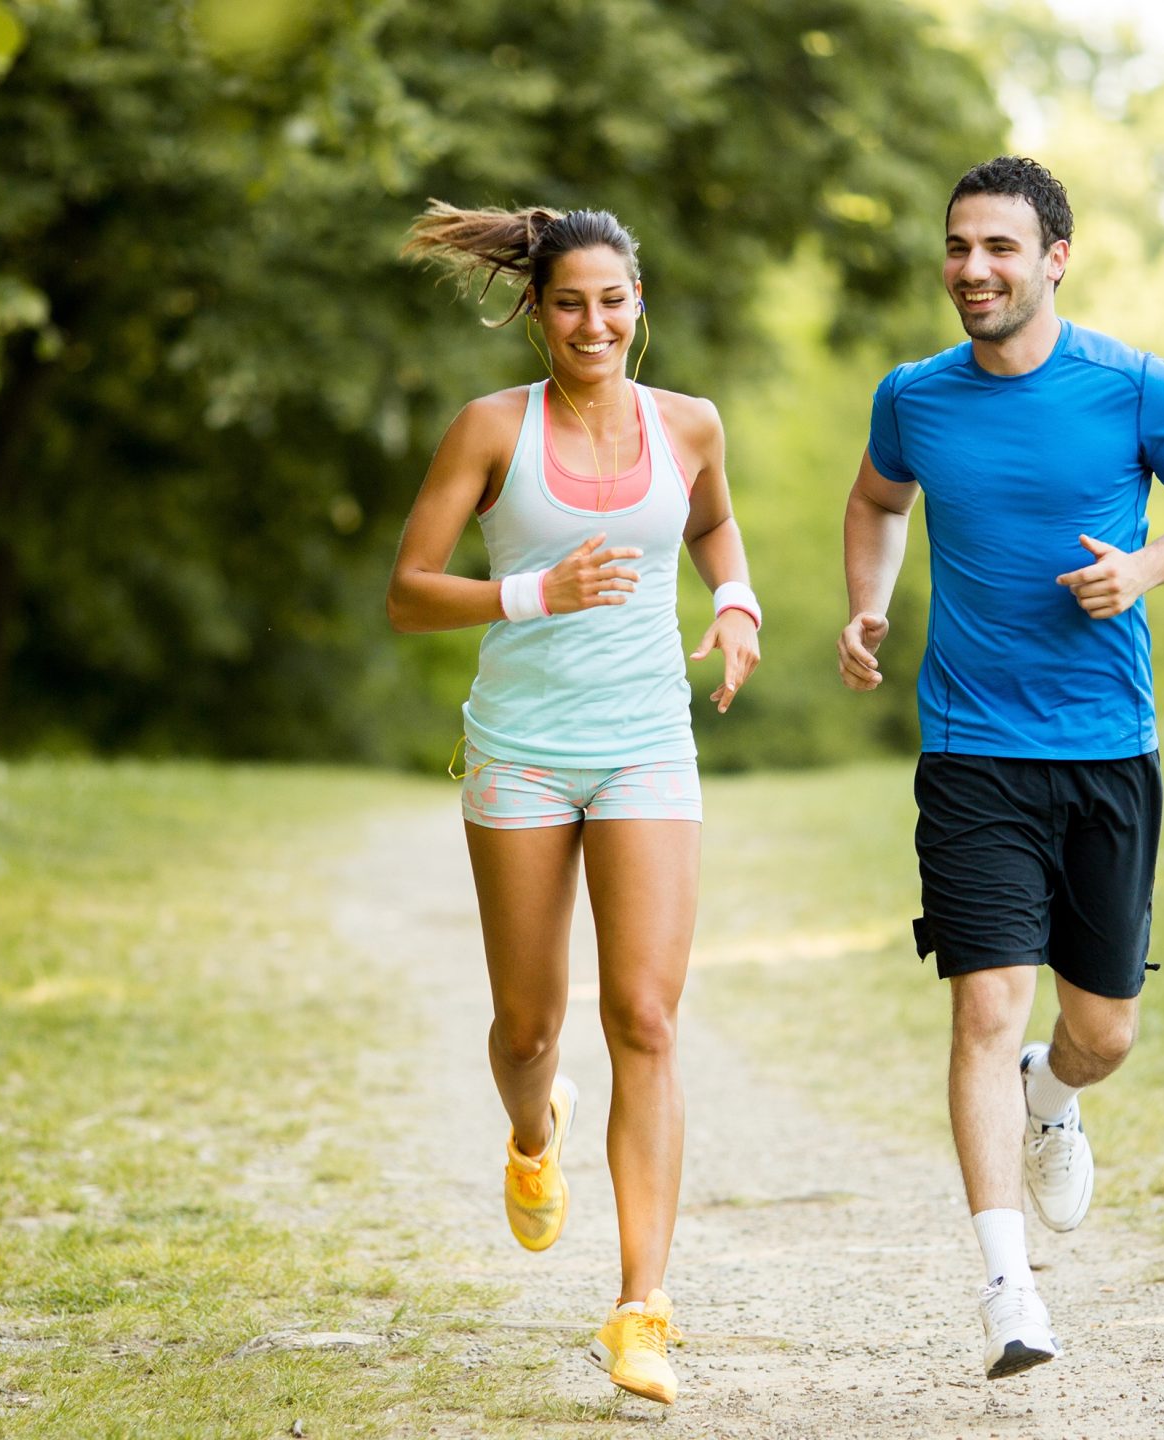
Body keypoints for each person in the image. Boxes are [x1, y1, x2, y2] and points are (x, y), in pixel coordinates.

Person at [836, 156, 1164, 1380]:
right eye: (958, 246)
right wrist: (867, 604)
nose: (973, 269)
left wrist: (1143, 570)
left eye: (999, 249)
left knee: (1104, 1033)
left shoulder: (1130, 386)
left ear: (1054, 257)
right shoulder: (914, 398)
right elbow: (875, 503)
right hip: (971, 754)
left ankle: (1054, 1097)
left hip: (1106, 751)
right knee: (982, 1005)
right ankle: (1008, 1292)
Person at [388, 201, 762, 1407]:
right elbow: (407, 591)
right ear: (537, 310)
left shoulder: (690, 425)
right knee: (529, 1030)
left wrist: (738, 598)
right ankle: (533, 1130)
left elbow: (708, 522)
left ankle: (640, 1308)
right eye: (568, 302)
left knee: (645, 1020)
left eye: (612, 300)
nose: (592, 322)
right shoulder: (491, 428)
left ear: (637, 303)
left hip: (648, 743)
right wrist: (532, 592)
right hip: (524, 753)